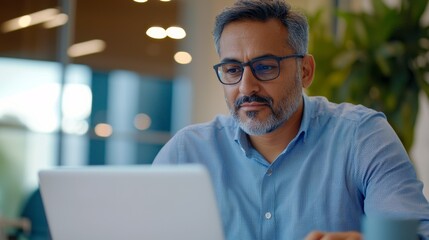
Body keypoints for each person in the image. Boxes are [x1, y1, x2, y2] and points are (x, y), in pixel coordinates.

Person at [153, 0, 429, 239]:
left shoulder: (362, 136)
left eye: (265, 67)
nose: (246, 87)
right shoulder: (187, 151)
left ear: (305, 71)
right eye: (233, 69)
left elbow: (414, 233)